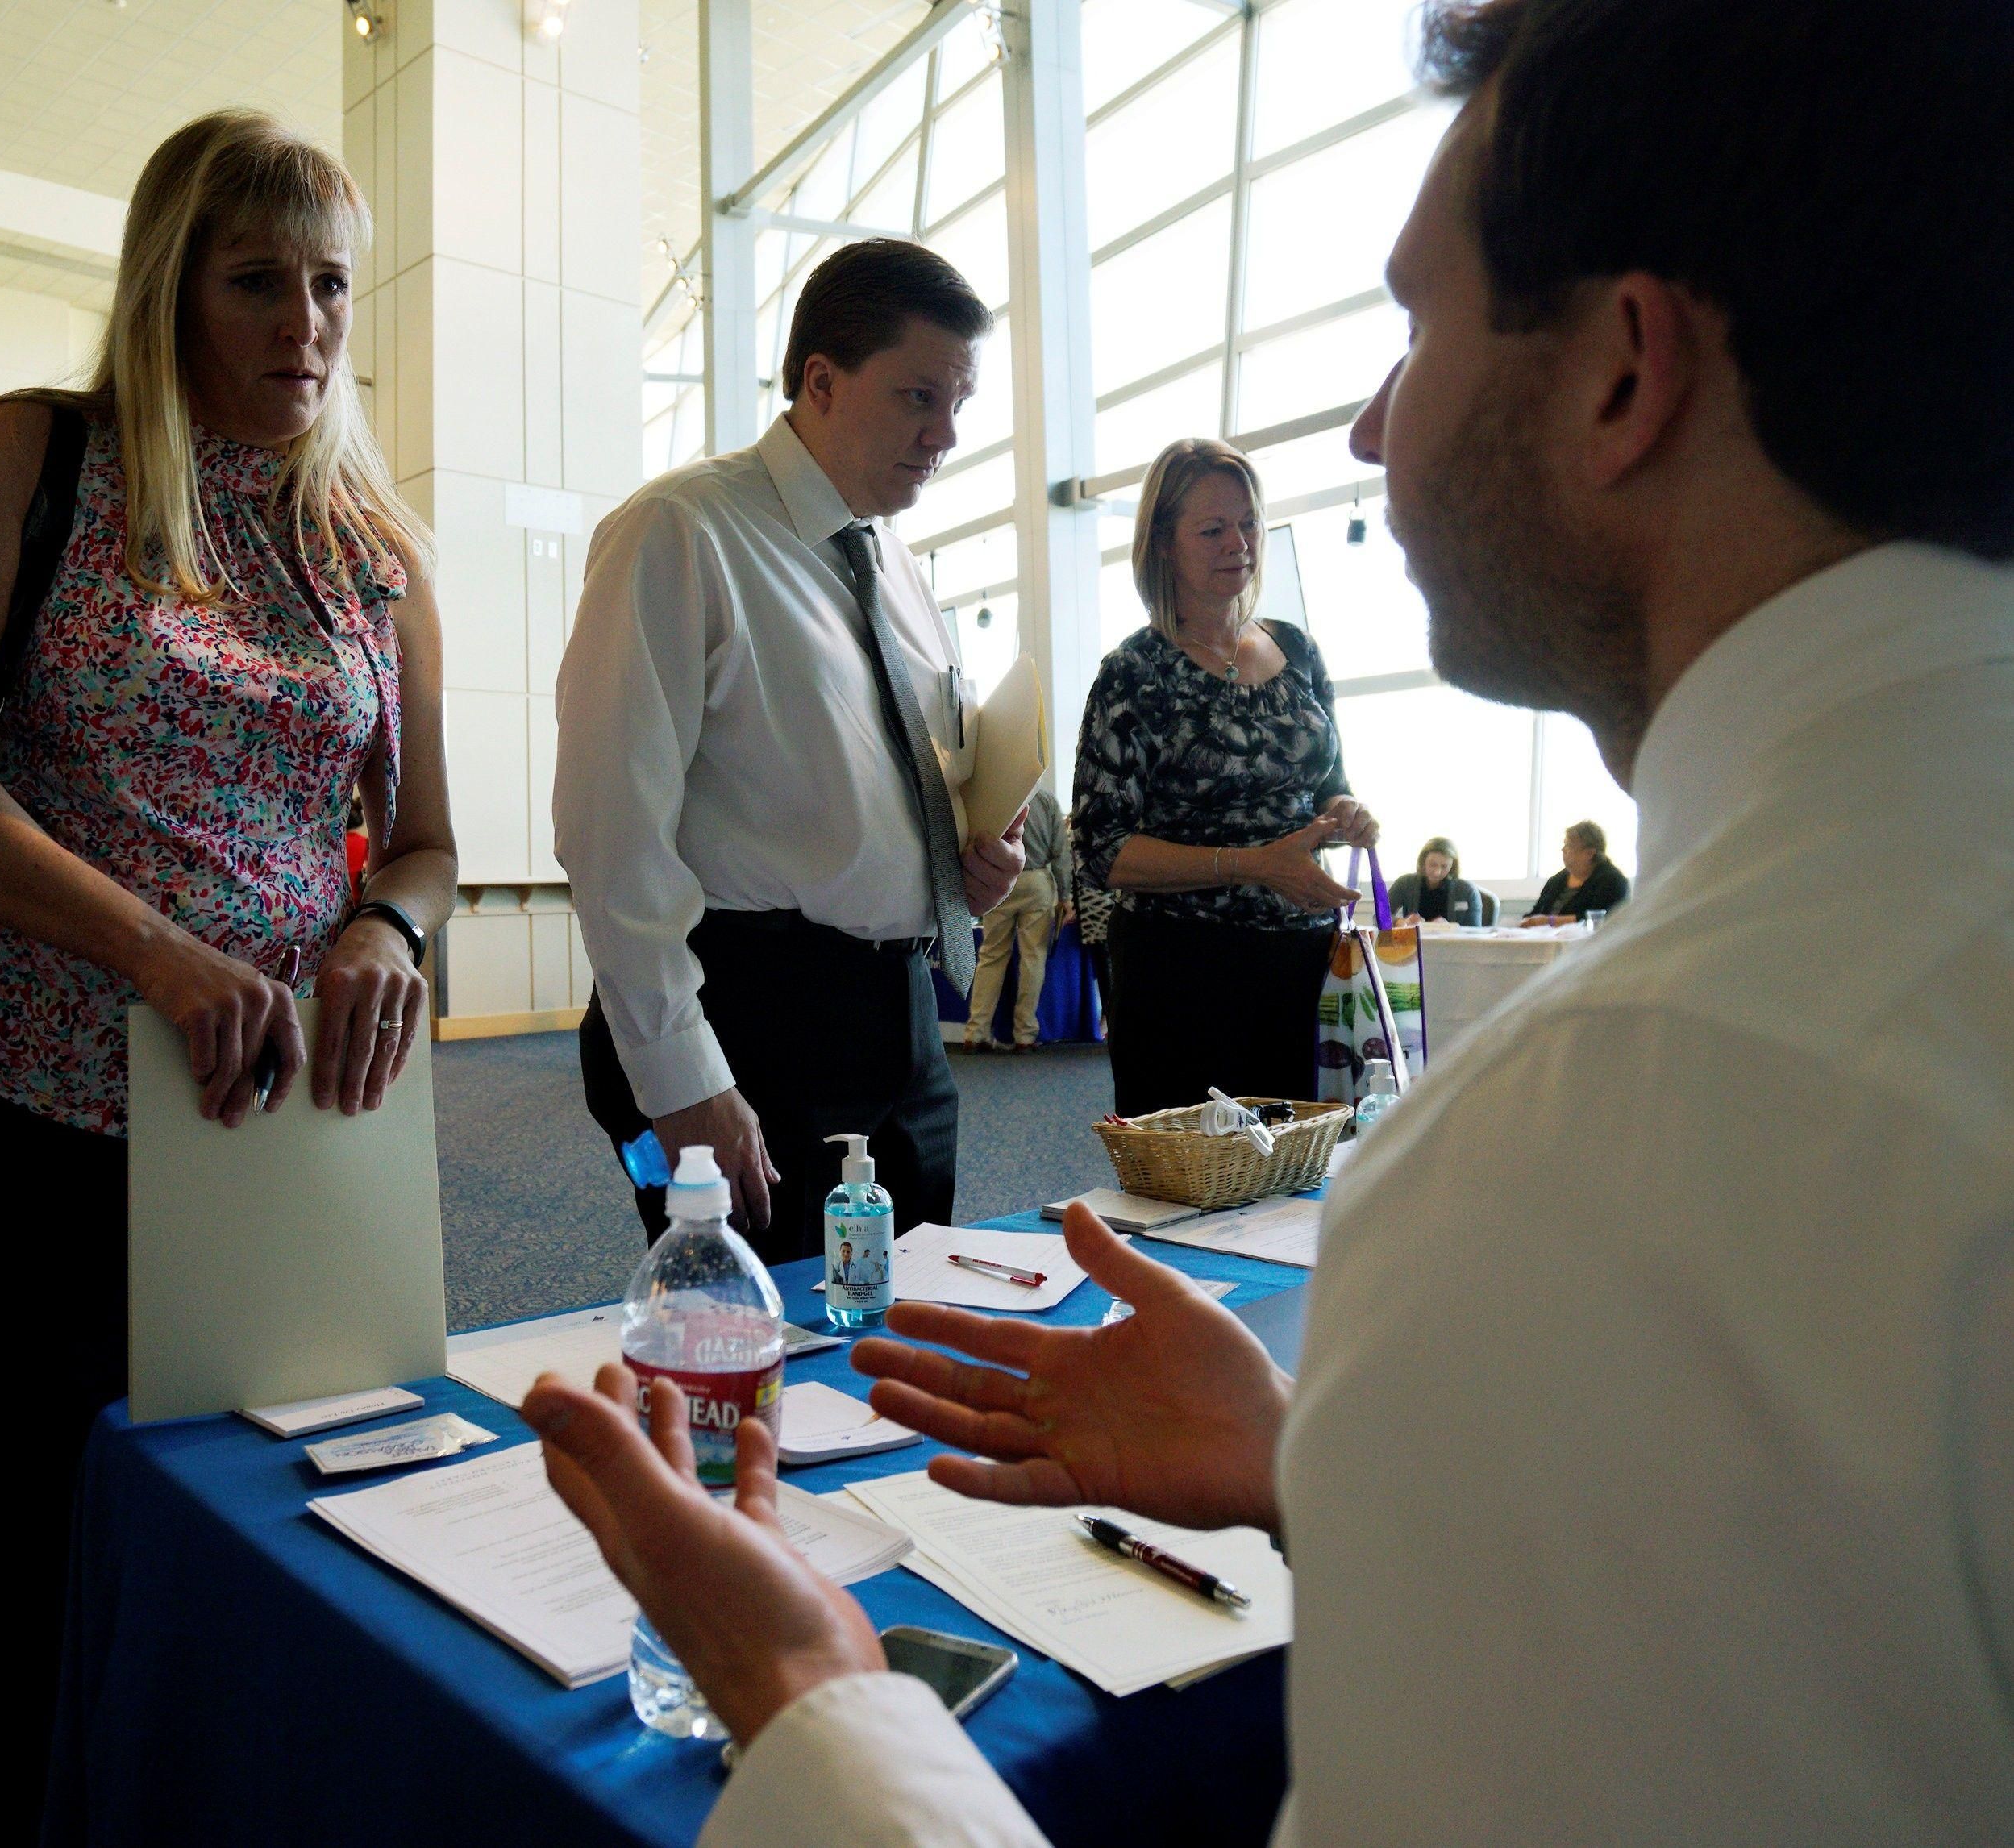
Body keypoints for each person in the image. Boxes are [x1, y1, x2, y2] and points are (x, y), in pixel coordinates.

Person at [522, 0, 2014, 1840]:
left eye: (1412, 325)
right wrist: (1332, 1477)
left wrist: (814, 1713)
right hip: (755, 997)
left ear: (1627, 372)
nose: (1377, 422)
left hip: (890, 1000)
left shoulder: (1591, 1153)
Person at [0, 110, 457, 1841]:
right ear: (167, 288)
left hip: (278, 1152)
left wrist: (383, 931)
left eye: (331, 285)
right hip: (28, 1138)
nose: (305, 325)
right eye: (256, 281)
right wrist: (153, 951)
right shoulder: (34, 459)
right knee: (12, 1608)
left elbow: (422, 844)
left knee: (274, 1573)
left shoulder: (373, 556)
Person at [556, 239, 1026, 1262]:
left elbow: (885, 785)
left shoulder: (893, 564)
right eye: (917, 397)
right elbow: (610, 833)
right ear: (820, 379)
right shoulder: (680, 532)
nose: (944, 435)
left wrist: (963, 860)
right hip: (748, 1014)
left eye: (957, 405)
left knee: (904, 1327)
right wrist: (685, 1079)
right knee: (762, 1358)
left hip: (901, 1018)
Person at [1069, 439, 1381, 1114]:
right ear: (1163, 543)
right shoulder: (1135, 673)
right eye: (1212, 529)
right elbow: (1102, 849)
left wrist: (1346, 811)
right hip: (1183, 972)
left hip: (1304, 966)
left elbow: (1330, 780)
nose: (1238, 542)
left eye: (1249, 523)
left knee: (1297, 1185)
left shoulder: (1295, 649)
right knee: (1189, 1193)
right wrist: (1255, 865)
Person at [961, 785, 1071, 1051]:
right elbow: (1061, 852)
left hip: (999, 880)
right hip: (1036, 882)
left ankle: (976, 1032)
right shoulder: (1046, 800)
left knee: (991, 955)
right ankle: (1025, 1034)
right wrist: (1066, 896)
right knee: (1033, 957)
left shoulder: (998, 794)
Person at [1519, 817, 1628, 922]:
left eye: (1569, 846)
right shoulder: (1556, 880)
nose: (1563, 850)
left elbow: (1598, 919)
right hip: (1544, 939)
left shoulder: (1612, 880)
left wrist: (1550, 921)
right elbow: (1535, 914)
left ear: (1589, 853)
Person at [1386, 834, 1487, 925]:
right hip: (1414, 944)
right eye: (1433, 865)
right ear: (1423, 861)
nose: (1437, 872)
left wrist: (1450, 928)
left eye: (1444, 866)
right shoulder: (1405, 883)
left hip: (1451, 944)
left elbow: (1475, 931)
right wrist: (1401, 922)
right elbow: (1379, 917)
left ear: (1452, 866)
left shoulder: (1467, 891)